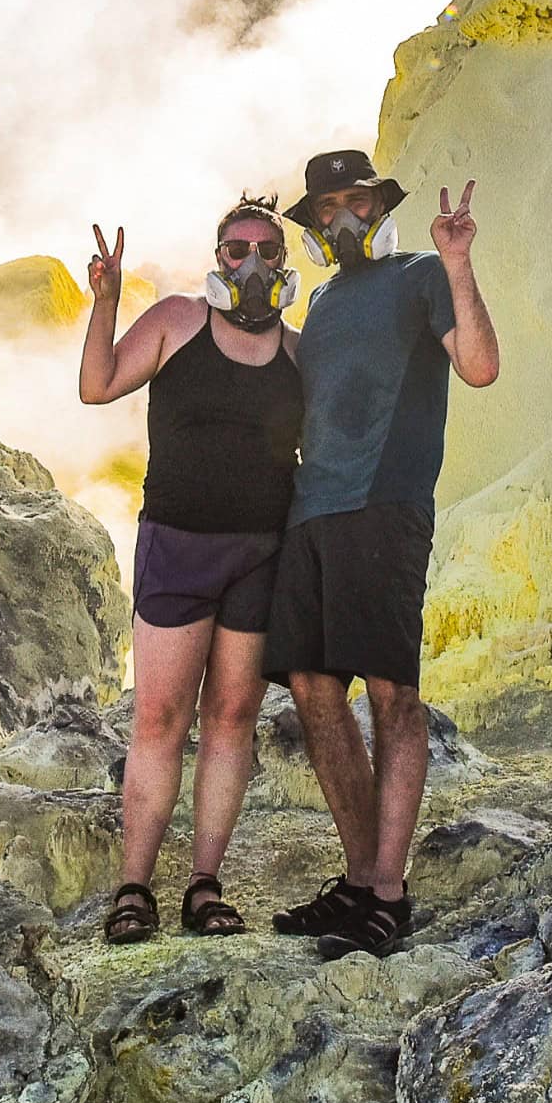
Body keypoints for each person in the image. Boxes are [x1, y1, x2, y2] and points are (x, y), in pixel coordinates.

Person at [263, 150, 499, 960]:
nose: (341, 220)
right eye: (325, 210)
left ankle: (389, 897)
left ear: (377, 204)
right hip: (311, 516)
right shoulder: (323, 301)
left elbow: (479, 367)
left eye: (352, 202)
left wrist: (460, 264)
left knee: (394, 693)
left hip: (385, 507)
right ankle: (360, 880)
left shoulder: (423, 273)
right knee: (313, 688)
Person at [80, 198, 304, 945]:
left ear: (283, 261)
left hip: (262, 553)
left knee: (233, 719)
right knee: (159, 717)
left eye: (266, 250)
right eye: (235, 249)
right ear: (217, 259)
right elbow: (98, 384)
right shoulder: (177, 321)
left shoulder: (300, 353)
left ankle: (205, 884)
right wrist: (106, 304)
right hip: (177, 545)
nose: (250, 262)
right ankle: (134, 887)